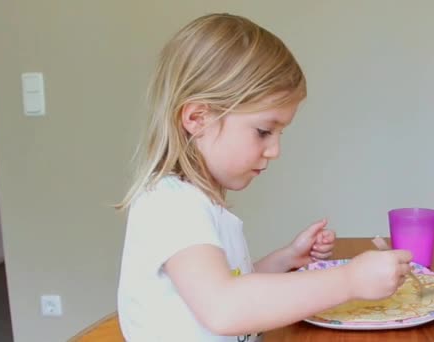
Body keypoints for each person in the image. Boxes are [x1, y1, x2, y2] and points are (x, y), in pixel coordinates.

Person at [116, 13, 412, 342]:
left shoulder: (199, 203)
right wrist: (350, 281)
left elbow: (233, 286)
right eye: (264, 131)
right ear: (198, 118)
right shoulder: (171, 205)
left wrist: (284, 259)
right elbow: (225, 307)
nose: (274, 150)